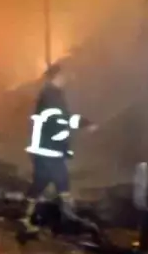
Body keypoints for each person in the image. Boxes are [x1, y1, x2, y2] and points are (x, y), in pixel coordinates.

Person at [20, 62, 96, 236]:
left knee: (40, 183)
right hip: (49, 150)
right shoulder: (52, 96)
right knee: (63, 183)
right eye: (64, 75)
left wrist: (82, 124)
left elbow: (61, 118)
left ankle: (25, 218)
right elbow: (60, 119)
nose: (67, 78)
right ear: (56, 76)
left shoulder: (49, 94)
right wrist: (84, 124)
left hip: (43, 149)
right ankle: (70, 220)